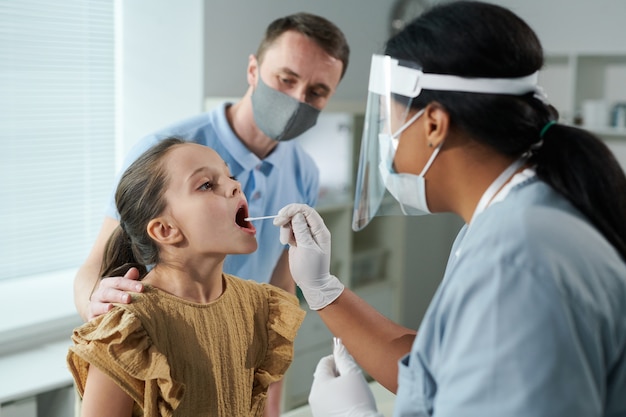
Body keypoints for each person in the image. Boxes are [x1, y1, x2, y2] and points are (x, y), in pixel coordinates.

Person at [272, 2, 626, 416]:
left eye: (388, 122)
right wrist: (321, 289)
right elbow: (439, 368)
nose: (386, 139)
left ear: (434, 124)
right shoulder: (510, 219)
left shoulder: (516, 260)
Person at [73, 12, 349, 416]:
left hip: (238, 348)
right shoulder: (167, 153)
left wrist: (269, 403)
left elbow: (281, 288)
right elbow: (98, 264)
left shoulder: (304, 170)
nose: (297, 99)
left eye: (317, 91)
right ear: (253, 70)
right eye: (286, 80)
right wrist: (98, 306)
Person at [67, 138, 305, 416]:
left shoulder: (258, 306)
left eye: (231, 177)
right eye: (206, 184)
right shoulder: (127, 332)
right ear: (165, 230)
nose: (235, 186)